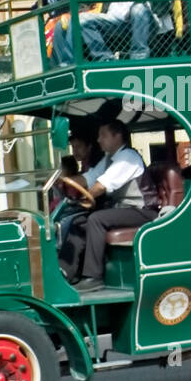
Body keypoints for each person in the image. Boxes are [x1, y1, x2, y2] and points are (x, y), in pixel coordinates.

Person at [58, 120, 158, 291]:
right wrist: (61, 181)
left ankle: (93, 277)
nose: (98, 140)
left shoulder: (127, 157)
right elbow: (90, 177)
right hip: (123, 208)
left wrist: (82, 199)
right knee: (78, 220)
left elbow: (101, 185)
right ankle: (65, 272)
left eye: (103, 135)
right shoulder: (109, 158)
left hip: (143, 210)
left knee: (96, 219)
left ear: (117, 136)